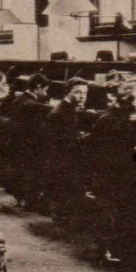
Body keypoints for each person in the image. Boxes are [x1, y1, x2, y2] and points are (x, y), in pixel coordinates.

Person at [87, 81, 136, 263]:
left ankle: (110, 250)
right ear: (126, 99)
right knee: (111, 213)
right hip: (111, 175)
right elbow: (113, 153)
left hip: (113, 174)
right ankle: (106, 252)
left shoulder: (117, 116)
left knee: (115, 212)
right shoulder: (111, 120)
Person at [44, 77, 91, 222]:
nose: (82, 96)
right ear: (67, 92)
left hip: (64, 158)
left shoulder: (68, 108)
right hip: (62, 159)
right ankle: (62, 219)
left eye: (84, 93)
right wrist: (86, 138)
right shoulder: (61, 113)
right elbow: (63, 141)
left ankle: (64, 217)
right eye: (77, 92)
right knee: (65, 189)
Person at [7, 72, 51, 209]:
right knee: (31, 172)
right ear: (38, 87)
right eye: (45, 90)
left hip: (17, 143)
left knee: (21, 172)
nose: (45, 93)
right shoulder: (31, 104)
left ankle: (21, 199)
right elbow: (38, 128)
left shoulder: (19, 99)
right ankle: (30, 201)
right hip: (28, 145)